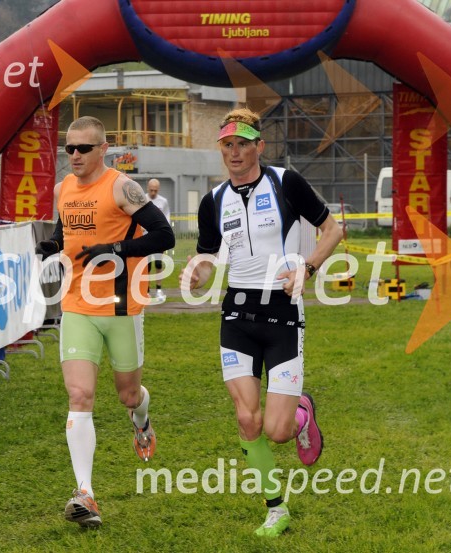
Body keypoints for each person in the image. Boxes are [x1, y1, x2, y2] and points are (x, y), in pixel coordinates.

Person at [180, 108, 343, 538]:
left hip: (283, 312)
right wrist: (198, 272)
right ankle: (276, 508)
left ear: (259, 146)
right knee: (247, 420)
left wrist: (307, 269)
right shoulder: (213, 201)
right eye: (227, 145)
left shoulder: (285, 182)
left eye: (242, 144)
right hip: (236, 315)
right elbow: (208, 257)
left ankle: (301, 416)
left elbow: (333, 230)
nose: (234, 152)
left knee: (277, 430)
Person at [35, 116, 175, 528]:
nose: (74, 156)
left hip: (120, 307)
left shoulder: (121, 187)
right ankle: (86, 493)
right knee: (79, 395)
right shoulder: (63, 189)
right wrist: (53, 244)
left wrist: (113, 248)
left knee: (129, 396)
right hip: (77, 305)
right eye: (69, 149)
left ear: (103, 148)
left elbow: (164, 236)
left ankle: (142, 420)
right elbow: (67, 232)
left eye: (84, 148)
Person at [145, 178, 171, 302]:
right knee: (147, 266)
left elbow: (167, 218)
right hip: (146, 237)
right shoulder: (143, 199)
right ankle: (147, 291)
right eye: (151, 190)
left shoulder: (163, 201)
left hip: (158, 237)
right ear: (147, 188)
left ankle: (159, 290)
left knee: (158, 264)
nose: (153, 193)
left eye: (155, 190)